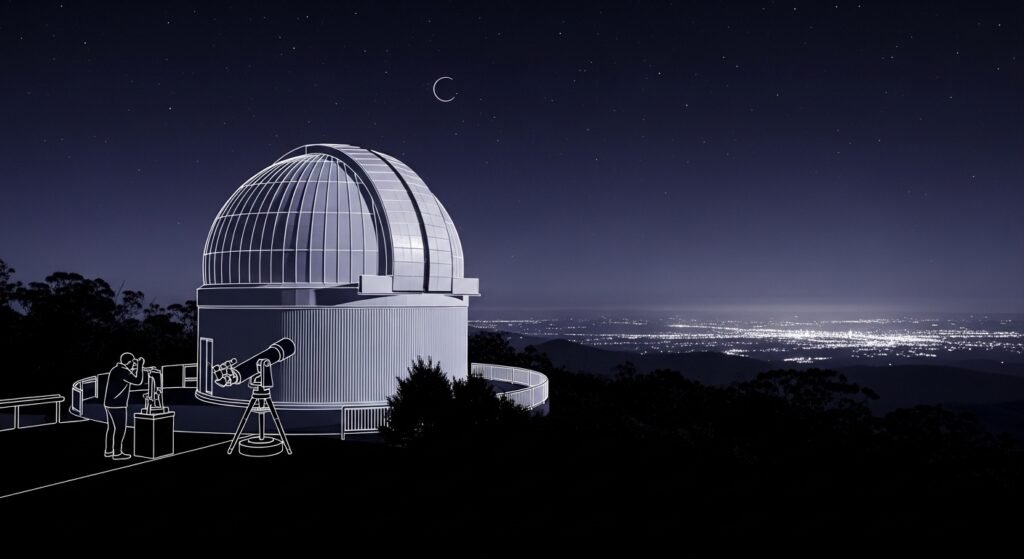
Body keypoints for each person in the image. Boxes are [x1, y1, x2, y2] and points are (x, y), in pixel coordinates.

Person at [104, 352, 146, 460]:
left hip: (109, 403)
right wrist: (140, 365)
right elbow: (138, 381)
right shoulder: (123, 371)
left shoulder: (116, 369)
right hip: (117, 405)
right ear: (128, 362)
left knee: (111, 428)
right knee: (121, 428)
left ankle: (108, 451)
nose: (133, 365)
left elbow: (130, 375)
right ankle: (117, 453)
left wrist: (136, 368)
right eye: (132, 363)